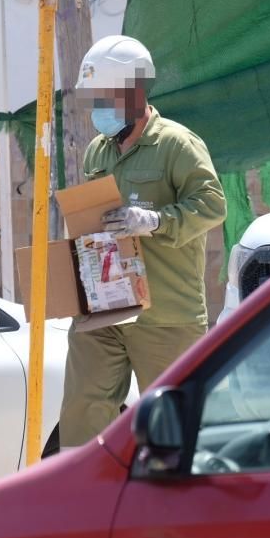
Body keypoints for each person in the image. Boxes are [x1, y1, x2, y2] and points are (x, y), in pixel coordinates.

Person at [60, 34, 227, 448]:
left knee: (173, 429)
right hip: (106, 309)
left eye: (105, 97)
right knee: (82, 409)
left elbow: (212, 206)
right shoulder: (97, 152)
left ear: (133, 92)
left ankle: (179, 506)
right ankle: (83, 500)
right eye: (94, 98)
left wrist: (154, 220)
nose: (98, 108)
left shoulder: (176, 145)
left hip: (166, 316)